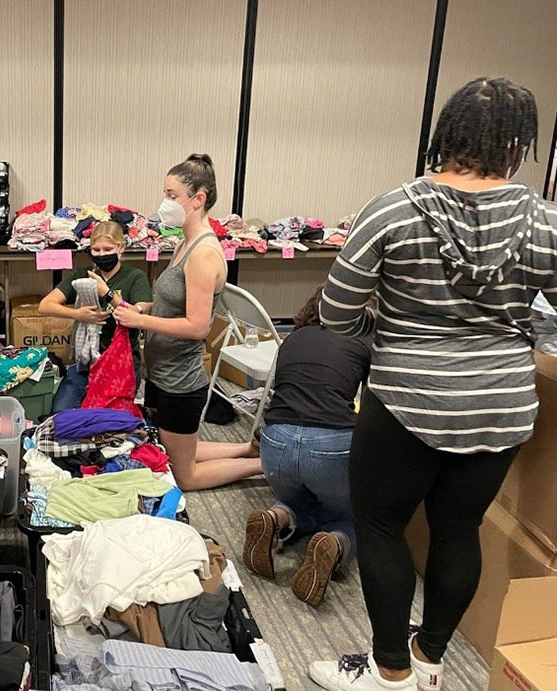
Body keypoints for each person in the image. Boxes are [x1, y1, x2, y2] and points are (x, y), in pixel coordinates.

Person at [311, 77, 557, 691]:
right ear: (517, 143)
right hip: (500, 404)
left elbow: (336, 316)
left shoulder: (393, 207)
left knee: (382, 526)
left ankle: (389, 669)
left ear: (445, 134)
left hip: (405, 400)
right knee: (458, 529)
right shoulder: (547, 222)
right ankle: (431, 663)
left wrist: (396, 320)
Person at [113, 154, 261, 490]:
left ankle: (264, 464)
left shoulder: (204, 254)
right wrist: (144, 309)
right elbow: (174, 303)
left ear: (198, 199)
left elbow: (197, 326)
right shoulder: (184, 242)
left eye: (172, 195)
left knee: (185, 476)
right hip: (164, 373)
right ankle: (246, 448)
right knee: (171, 448)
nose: (165, 203)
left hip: (181, 380)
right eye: (164, 194)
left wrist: (141, 321)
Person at [242, 286, 370, 607]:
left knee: (297, 496)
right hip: (330, 446)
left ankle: (276, 517)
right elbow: (372, 409)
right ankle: (335, 543)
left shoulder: (292, 340)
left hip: (275, 443)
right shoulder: (362, 342)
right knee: (351, 517)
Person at [39, 221, 152, 412]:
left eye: (108, 249)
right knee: (60, 413)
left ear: (121, 247)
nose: (101, 254)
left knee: (108, 420)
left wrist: (106, 292)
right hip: (87, 363)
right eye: (96, 249)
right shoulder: (83, 275)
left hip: (122, 364)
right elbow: (45, 305)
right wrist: (79, 314)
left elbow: (137, 313)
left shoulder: (135, 277)